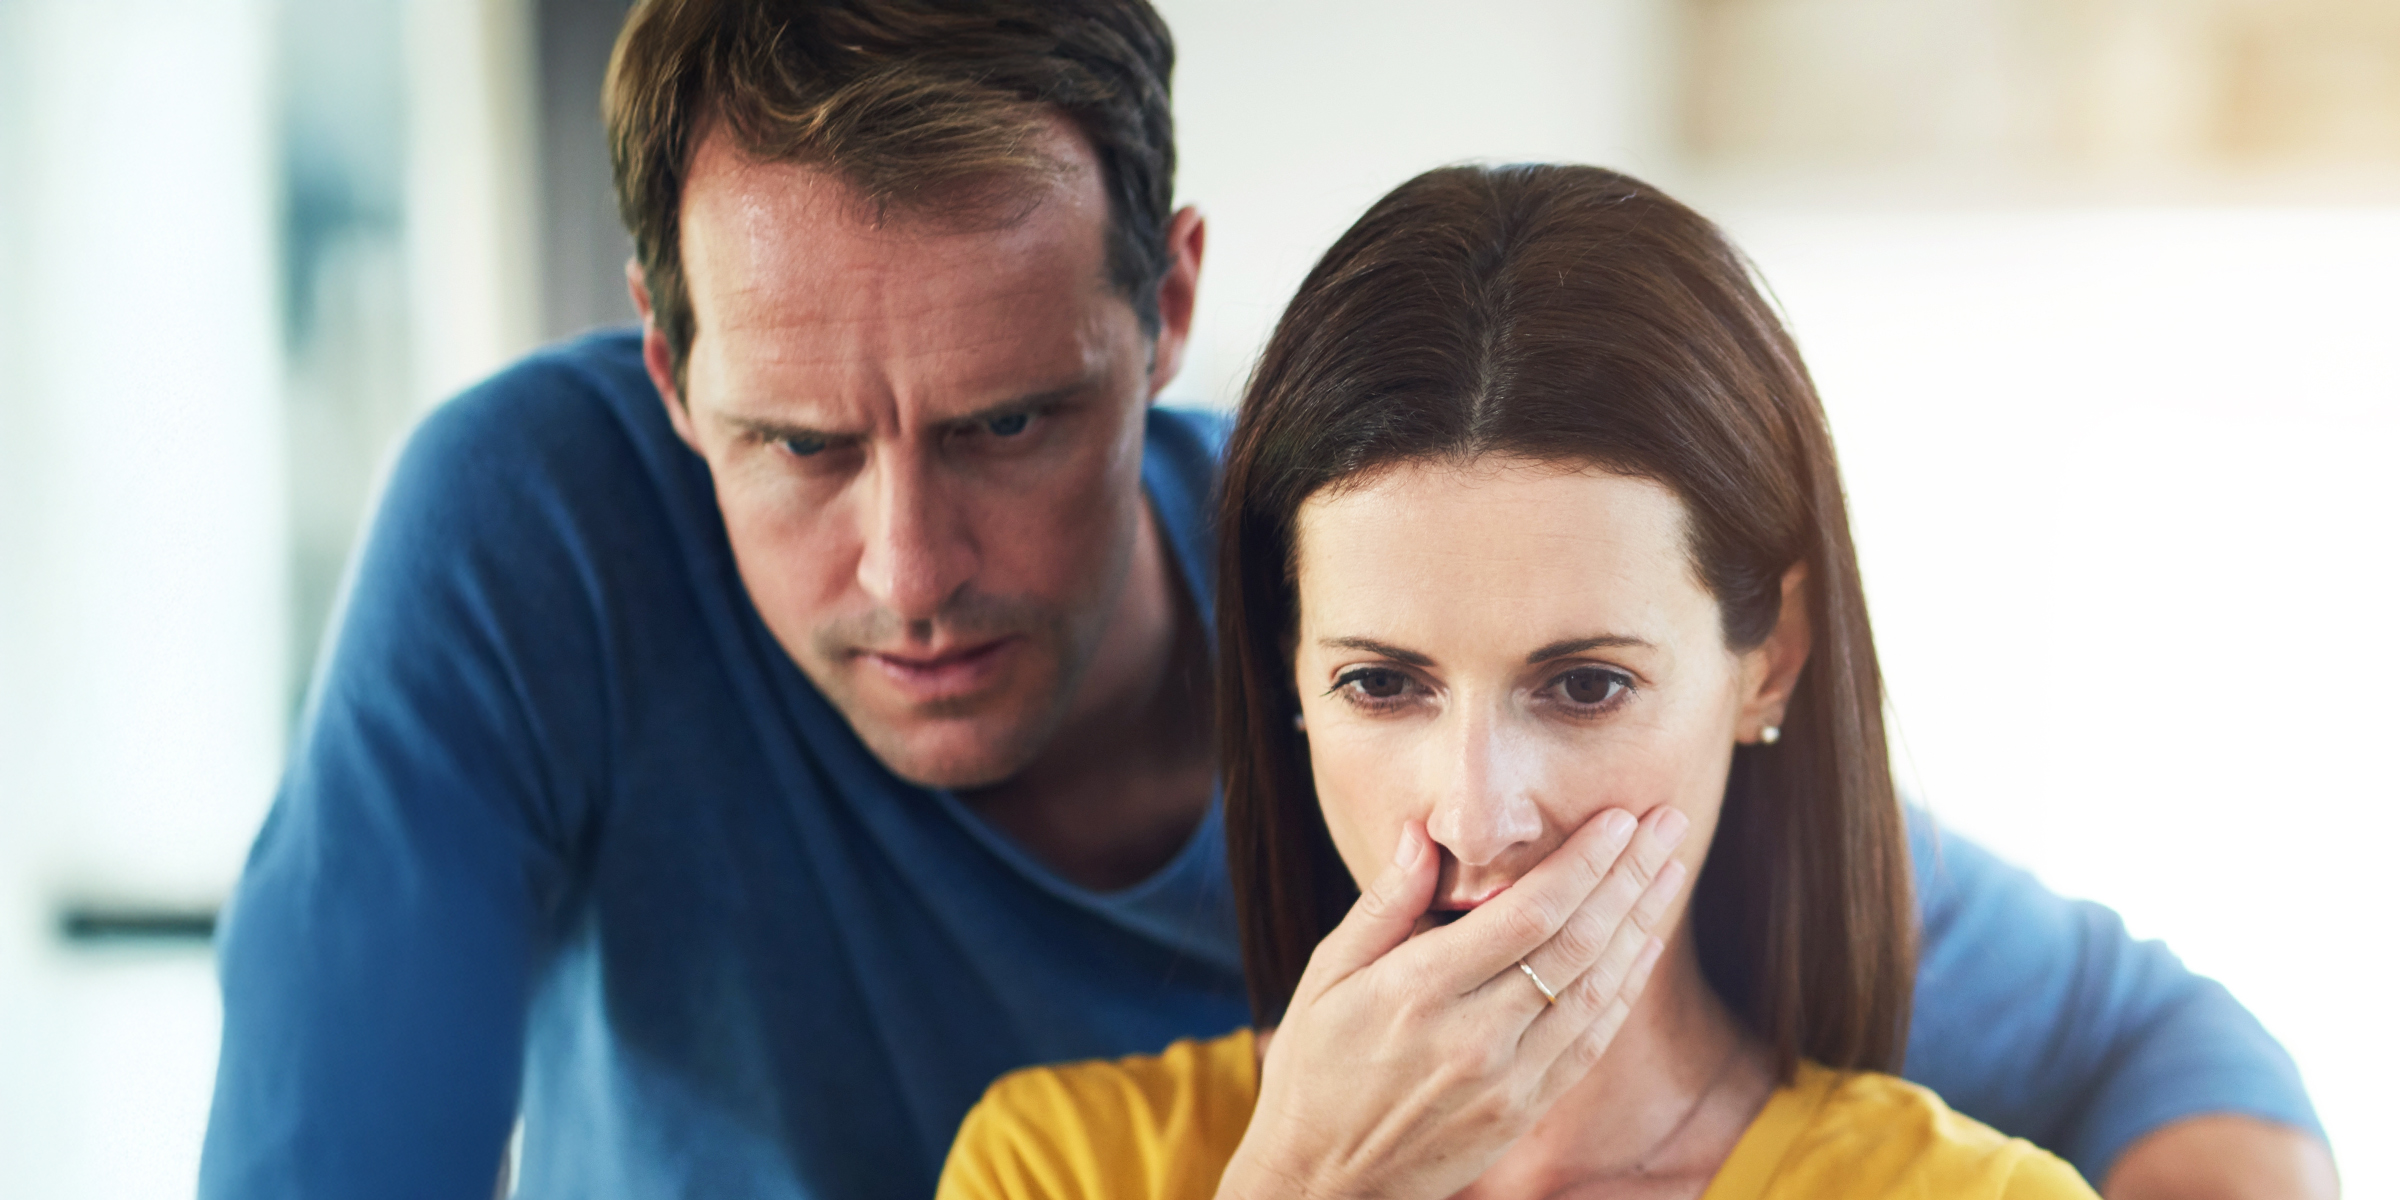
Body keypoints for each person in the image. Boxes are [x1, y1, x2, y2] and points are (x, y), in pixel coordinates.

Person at [198, 3, 2332, 1199]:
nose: (912, 567)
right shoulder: (536, 539)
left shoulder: (1385, 550)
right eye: (799, 447)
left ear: (1169, 314)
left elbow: (2146, 1048)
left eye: (1017, 424)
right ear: (673, 382)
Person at [937, 161, 2085, 1199]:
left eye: (1585, 687)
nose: (1477, 817)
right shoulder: (1055, 1164)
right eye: (1384, 685)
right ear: (1288, 668)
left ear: (1771, 661)